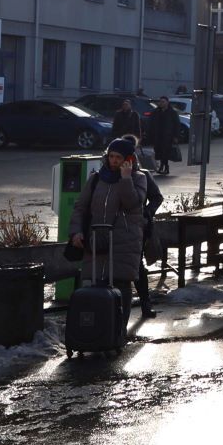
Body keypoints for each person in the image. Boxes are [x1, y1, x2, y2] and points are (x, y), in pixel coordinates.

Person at [68, 136, 155, 318]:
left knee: (121, 286)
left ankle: (119, 333)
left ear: (129, 160)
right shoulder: (96, 179)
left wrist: (125, 179)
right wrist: (76, 232)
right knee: (95, 285)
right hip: (97, 239)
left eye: (119, 157)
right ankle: (101, 332)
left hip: (123, 241)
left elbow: (132, 203)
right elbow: (81, 208)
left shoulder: (139, 178)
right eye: (111, 156)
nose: (114, 161)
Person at [144, 97, 179, 176]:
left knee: (165, 152)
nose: (161, 103)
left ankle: (165, 167)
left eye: (163, 102)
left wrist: (175, 136)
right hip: (158, 135)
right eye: (160, 102)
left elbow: (176, 124)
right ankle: (163, 166)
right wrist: (149, 133)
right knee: (158, 151)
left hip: (167, 136)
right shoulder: (156, 112)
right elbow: (151, 123)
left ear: (167, 102)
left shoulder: (172, 112)